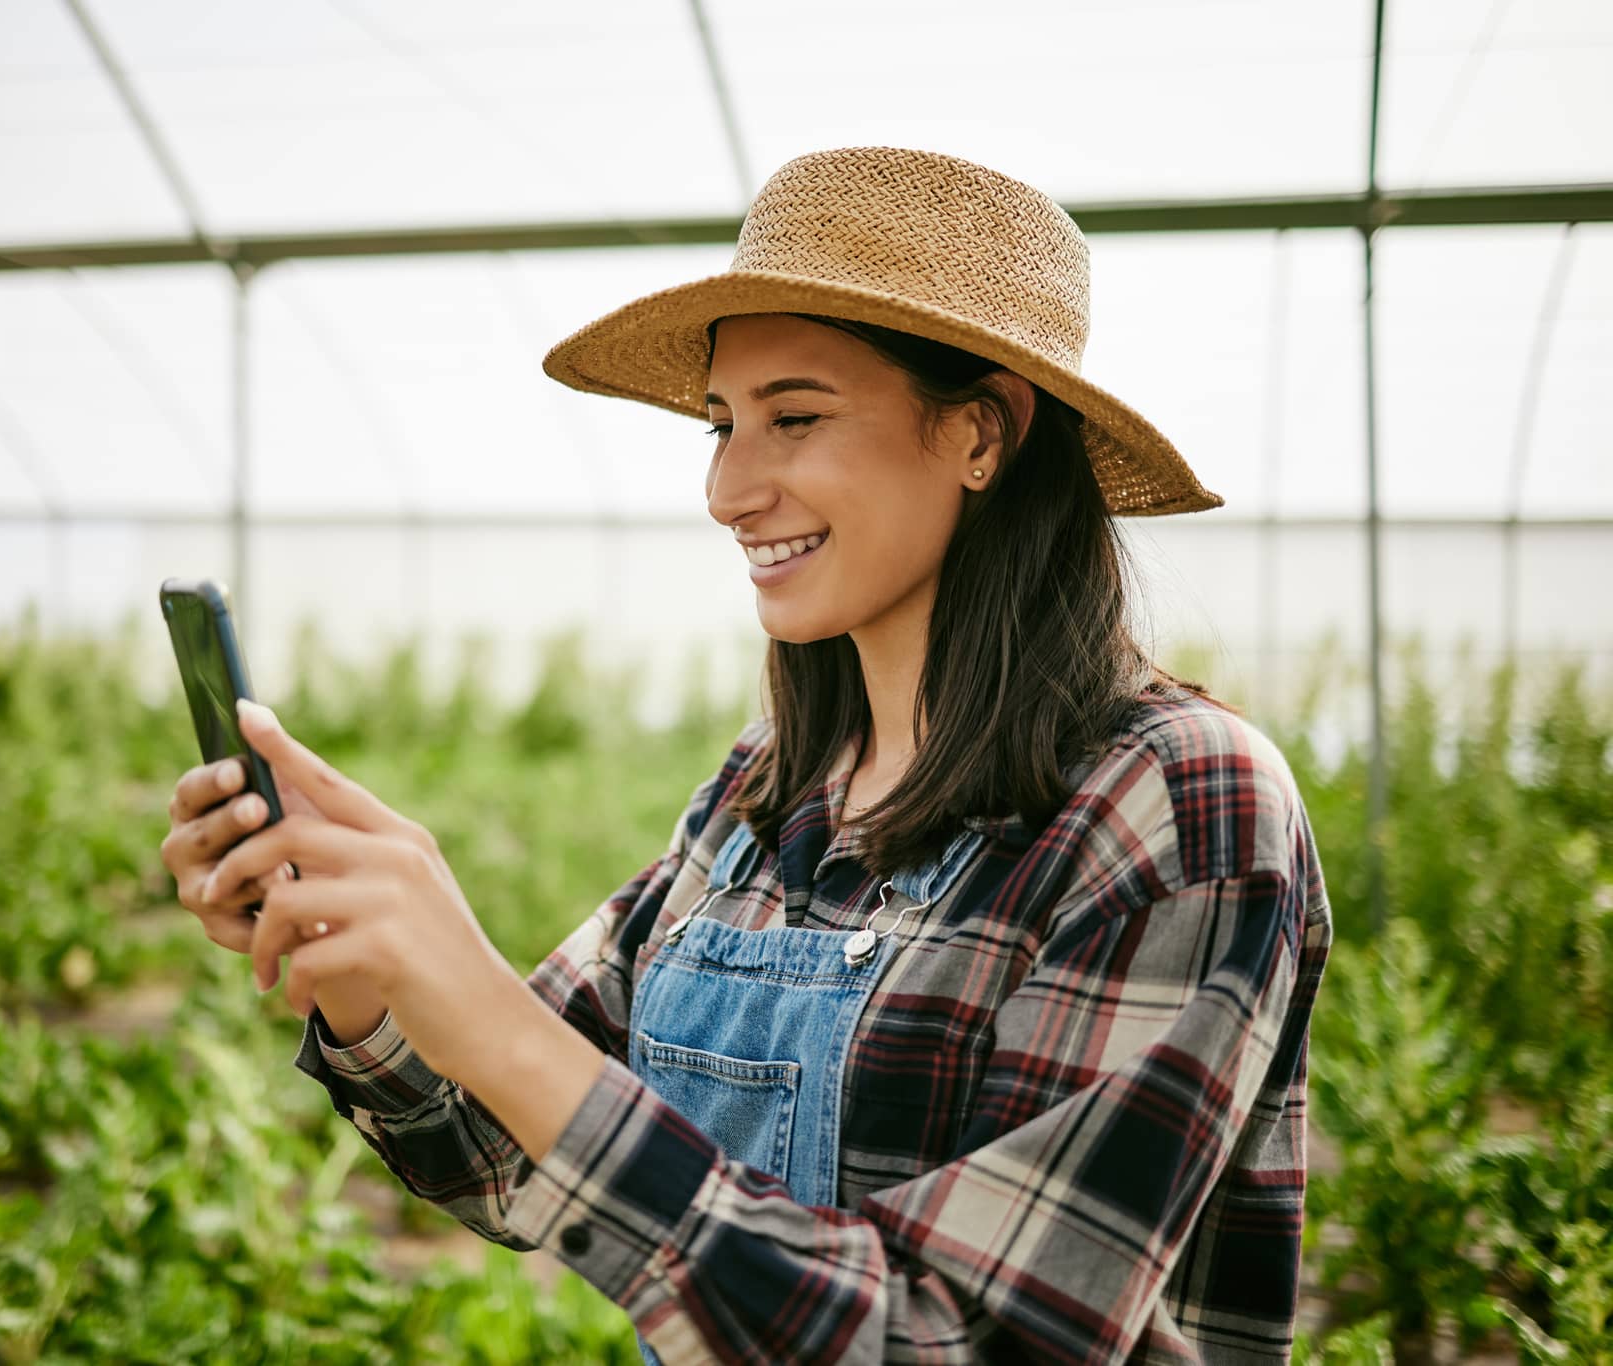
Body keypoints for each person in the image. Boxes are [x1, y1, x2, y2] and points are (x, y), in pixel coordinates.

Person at [159, 146, 1333, 1364]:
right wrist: (358, 948)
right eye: (722, 424)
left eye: (795, 417)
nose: (726, 488)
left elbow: (962, 1335)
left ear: (979, 434)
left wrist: (483, 1007)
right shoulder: (767, 793)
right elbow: (498, 1146)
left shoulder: (1173, 804)